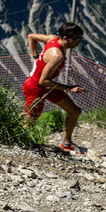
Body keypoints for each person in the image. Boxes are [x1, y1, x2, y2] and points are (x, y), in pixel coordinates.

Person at [22, 22, 87, 154]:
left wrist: (35, 57)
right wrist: (70, 88)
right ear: (65, 38)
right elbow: (43, 81)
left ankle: (66, 143)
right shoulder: (57, 55)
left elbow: (31, 37)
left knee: (74, 111)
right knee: (30, 122)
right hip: (36, 87)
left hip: (47, 86)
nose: (78, 42)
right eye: (75, 39)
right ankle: (18, 144)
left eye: (80, 39)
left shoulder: (52, 38)